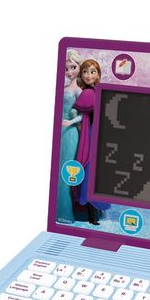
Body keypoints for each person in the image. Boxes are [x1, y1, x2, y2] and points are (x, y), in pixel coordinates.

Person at [73, 59, 110, 225]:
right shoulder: (88, 93)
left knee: (93, 171)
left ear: (98, 74)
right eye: (85, 72)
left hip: (96, 132)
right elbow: (81, 115)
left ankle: (94, 211)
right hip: (92, 133)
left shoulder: (96, 91)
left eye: (92, 72)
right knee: (89, 171)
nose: (89, 76)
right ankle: (92, 211)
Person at [56, 50, 82, 223]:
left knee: (65, 173)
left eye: (73, 67)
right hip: (58, 130)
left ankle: (65, 214)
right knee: (56, 171)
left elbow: (84, 115)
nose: (69, 72)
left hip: (69, 133)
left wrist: (71, 122)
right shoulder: (63, 88)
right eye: (66, 69)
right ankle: (56, 211)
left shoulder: (78, 91)